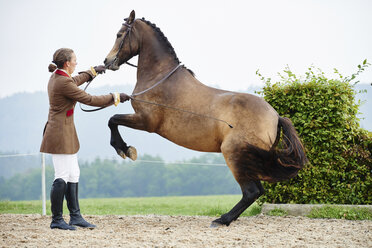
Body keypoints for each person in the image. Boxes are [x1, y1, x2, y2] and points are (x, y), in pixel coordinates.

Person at [40, 48, 130, 230]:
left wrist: (93, 71)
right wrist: (116, 97)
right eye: (74, 61)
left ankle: (75, 217)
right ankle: (56, 220)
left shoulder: (61, 77)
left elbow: (75, 80)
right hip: (59, 134)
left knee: (73, 174)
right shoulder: (61, 82)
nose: (76, 63)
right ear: (67, 63)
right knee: (61, 176)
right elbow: (88, 99)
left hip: (65, 132)